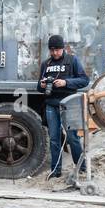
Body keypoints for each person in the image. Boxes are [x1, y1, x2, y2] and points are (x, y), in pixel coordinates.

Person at [39, 34, 91, 177]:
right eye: (52, 50)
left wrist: (66, 83)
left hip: (69, 104)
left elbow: (84, 80)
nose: (55, 53)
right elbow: (38, 86)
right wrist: (42, 85)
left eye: (57, 50)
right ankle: (56, 171)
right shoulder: (46, 64)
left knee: (72, 137)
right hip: (51, 105)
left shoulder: (72, 60)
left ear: (63, 49)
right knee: (54, 139)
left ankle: (81, 168)